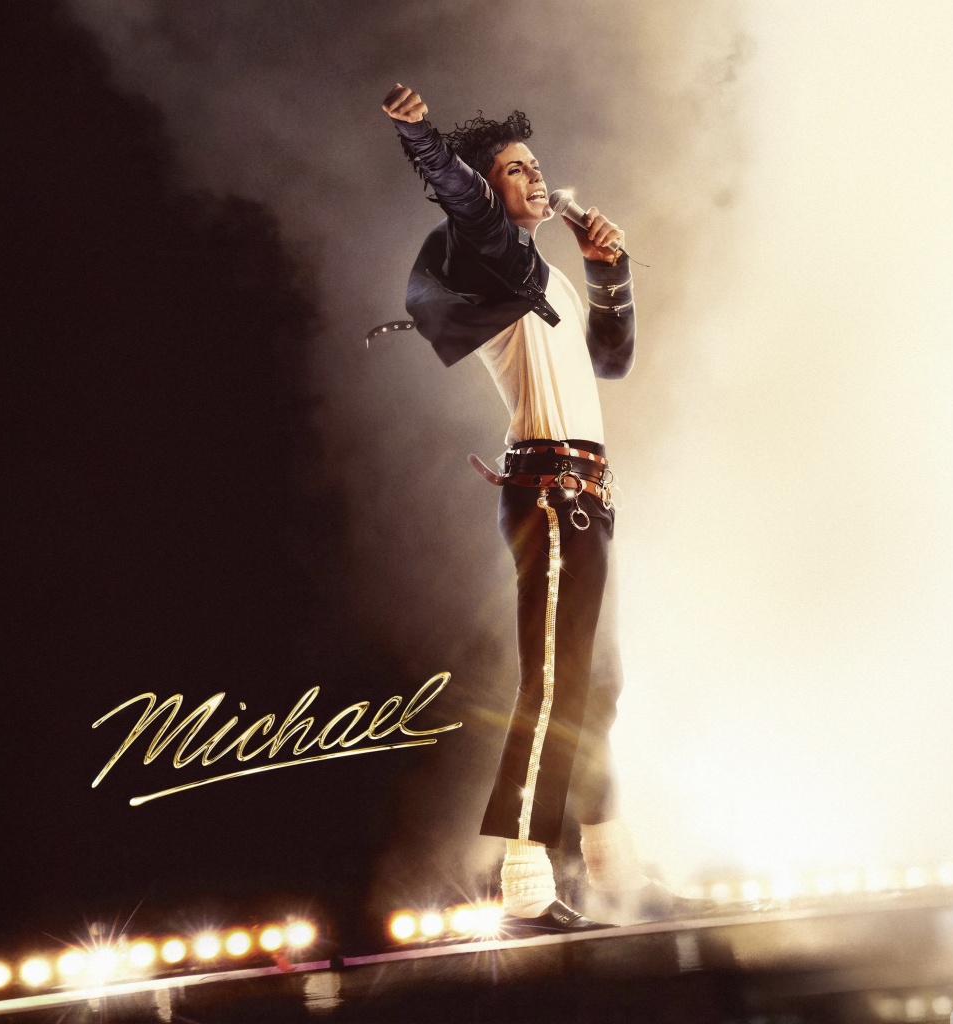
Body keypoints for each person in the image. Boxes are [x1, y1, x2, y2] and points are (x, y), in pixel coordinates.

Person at [382, 84, 701, 936]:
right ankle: (524, 887)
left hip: (587, 495)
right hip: (551, 492)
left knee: (598, 685)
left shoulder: (543, 275)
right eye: (514, 170)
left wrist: (607, 270)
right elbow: (467, 203)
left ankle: (614, 877)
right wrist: (424, 141)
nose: (535, 177)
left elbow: (612, 361)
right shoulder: (496, 260)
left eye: (536, 166)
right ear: (489, 190)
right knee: (557, 683)